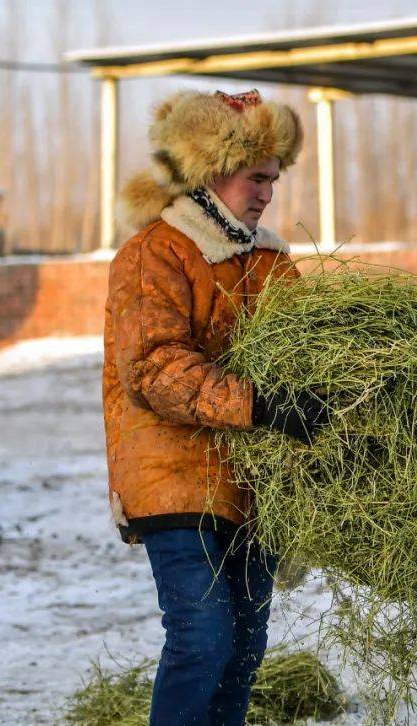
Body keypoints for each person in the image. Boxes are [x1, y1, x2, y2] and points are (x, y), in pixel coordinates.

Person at [102, 89, 324, 725]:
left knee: (244, 649)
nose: (267, 195)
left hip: (253, 483)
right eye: (257, 179)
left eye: (274, 181)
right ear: (213, 171)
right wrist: (261, 405)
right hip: (172, 477)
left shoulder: (272, 262)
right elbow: (154, 367)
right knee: (203, 640)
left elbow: (305, 353)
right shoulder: (155, 253)